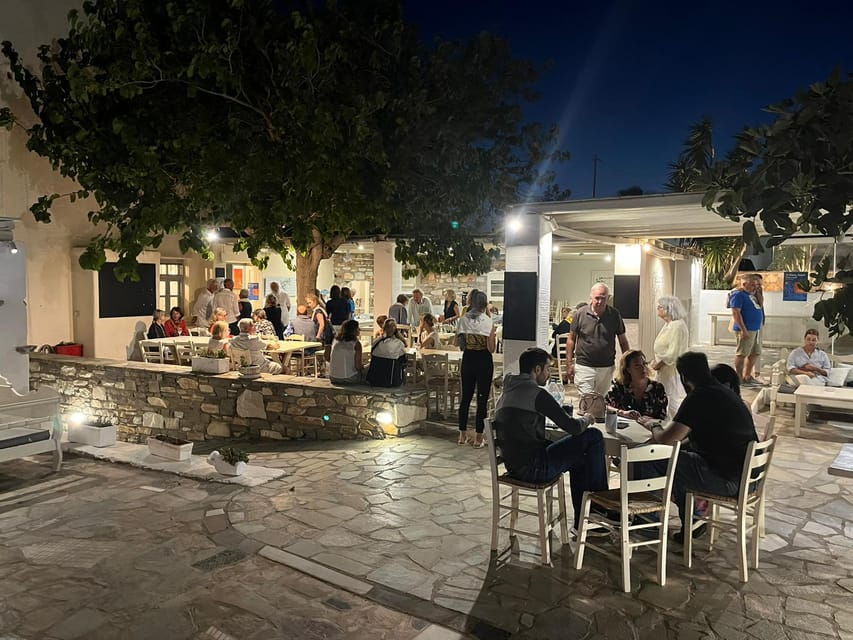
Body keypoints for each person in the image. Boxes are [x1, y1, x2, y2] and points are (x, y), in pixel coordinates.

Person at [636, 351, 758, 542]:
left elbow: (666, 440)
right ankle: (694, 520)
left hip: (727, 480)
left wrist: (653, 425)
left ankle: (648, 522)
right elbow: (689, 441)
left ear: (684, 377)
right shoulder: (725, 392)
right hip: (748, 478)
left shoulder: (699, 396)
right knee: (680, 465)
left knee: (648, 458)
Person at [494, 347, 609, 534]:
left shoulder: (507, 392)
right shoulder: (536, 394)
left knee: (580, 458)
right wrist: (588, 418)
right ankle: (601, 507)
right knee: (594, 436)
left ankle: (585, 521)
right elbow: (573, 427)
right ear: (537, 370)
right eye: (548, 369)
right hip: (533, 468)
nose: (549, 374)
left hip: (514, 465)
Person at [566, 283, 630, 396]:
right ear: (591, 297)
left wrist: (628, 363)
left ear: (607, 298)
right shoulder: (580, 314)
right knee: (587, 399)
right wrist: (569, 363)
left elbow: (623, 340)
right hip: (584, 366)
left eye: (603, 298)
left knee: (602, 399)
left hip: (606, 367)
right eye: (597, 298)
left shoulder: (614, 315)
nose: (600, 301)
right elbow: (571, 339)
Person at [456, 289, 496, 447]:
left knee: (465, 397)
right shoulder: (488, 322)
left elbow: (461, 345)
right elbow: (491, 348)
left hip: (468, 359)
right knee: (482, 399)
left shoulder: (463, 320)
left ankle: (462, 435)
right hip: (483, 360)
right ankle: (479, 437)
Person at [650, 296, 689, 419]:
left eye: (660, 307)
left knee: (671, 401)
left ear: (668, 309)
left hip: (670, 370)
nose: (658, 309)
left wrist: (659, 364)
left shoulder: (677, 326)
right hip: (665, 370)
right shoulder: (669, 325)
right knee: (667, 399)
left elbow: (673, 352)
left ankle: (677, 425)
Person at [605, 350, 668, 420]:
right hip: (626, 426)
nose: (643, 368)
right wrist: (622, 412)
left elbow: (662, 417)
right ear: (628, 369)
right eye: (637, 366)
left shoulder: (657, 388)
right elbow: (604, 406)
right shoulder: (619, 386)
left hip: (649, 426)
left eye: (644, 364)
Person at [730, 273, 764, 386]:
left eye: (757, 285)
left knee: (755, 352)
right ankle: (738, 377)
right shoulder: (738, 294)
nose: (755, 287)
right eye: (753, 285)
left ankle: (747, 376)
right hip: (746, 328)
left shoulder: (753, 295)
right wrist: (743, 330)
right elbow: (736, 313)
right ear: (744, 284)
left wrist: (759, 291)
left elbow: (761, 304)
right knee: (742, 353)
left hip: (755, 328)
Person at [329, 320, 365, 384]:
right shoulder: (356, 344)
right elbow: (358, 366)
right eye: (358, 328)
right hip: (349, 378)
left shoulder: (335, 341)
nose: (359, 329)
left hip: (333, 377)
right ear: (354, 330)